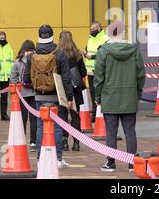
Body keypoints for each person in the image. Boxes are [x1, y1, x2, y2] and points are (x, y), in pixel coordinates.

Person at [94, 20, 145, 172]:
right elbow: (140, 75)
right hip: (130, 96)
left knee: (111, 131)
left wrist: (98, 96)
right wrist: (138, 93)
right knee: (130, 130)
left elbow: (98, 77)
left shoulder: (103, 51)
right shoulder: (134, 50)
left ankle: (110, 162)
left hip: (109, 97)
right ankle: (131, 163)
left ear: (109, 33)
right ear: (124, 33)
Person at [25, 24, 74, 168]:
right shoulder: (59, 54)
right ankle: (57, 159)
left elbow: (27, 78)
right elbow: (66, 79)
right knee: (58, 127)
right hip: (56, 96)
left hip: (39, 96)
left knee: (41, 126)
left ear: (39, 36)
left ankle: (40, 158)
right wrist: (69, 98)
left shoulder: (32, 55)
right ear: (52, 36)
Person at [57, 31, 87, 152]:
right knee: (75, 116)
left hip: (63, 89)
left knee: (63, 116)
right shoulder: (78, 54)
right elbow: (84, 72)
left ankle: (64, 141)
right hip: (75, 89)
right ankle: (76, 143)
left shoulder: (58, 54)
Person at [10, 40, 37, 152]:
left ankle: (21, 139)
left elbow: (13, 78)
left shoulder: (17, 62)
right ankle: (33, 142)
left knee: (23, 118)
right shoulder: (37, 59)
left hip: (22, 94)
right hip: (35, 92)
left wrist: (17, 85)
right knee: (34, 118)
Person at [84, 22, 109, 121]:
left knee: (101, 92)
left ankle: (103, 113)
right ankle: (94, 114)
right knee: (93, 93)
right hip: (90, 71)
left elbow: (105, 54)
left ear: (99, 28)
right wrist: (85, 53)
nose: (92, 31)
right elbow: (87, 50)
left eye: (94, 29)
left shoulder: (105, 39)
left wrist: (92, 57)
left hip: (100, 71)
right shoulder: (90, 39)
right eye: (91, 29)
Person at [0, 31, 14, 121]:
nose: (2, 39)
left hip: (6, 77)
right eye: (0, 38)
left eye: (3, 37)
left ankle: (4, 114)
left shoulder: (9, 48)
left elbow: (11, 62)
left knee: (4, 97)